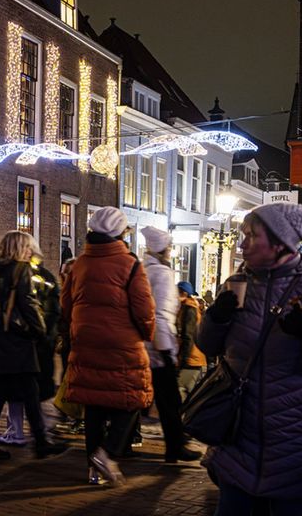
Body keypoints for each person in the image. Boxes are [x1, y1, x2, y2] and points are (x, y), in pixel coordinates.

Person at [198, 203, 302, 514]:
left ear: (280, 242)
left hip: (296, 436)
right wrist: (215, 319)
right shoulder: (237, 284)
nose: (242, 243)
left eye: (251, 235)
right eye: (242, 235)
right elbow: (206, 344)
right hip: (239, 433)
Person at [62, 206, 154, 486]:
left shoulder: (78, 264)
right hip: (122, 345)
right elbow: (144, 309)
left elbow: (65, 306)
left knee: (94, 407)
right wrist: (146, 333)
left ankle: (93, 470)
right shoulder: (131, 265)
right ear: (119, 233)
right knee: (132, 400)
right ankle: (109, 452)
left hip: (86, 343)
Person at [0, 231, 62, 460]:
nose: (30, 251)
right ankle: (40, 443)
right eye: (27, 247)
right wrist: (41, 331)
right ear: (19, 248)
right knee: (29, 391)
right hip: (17, 342)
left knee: (3, 394)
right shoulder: (20, 270)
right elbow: (28, 304)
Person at [139, 226, 199, 464]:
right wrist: (166, 350)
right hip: (158, 348)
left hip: (143, 346)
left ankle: (118, 444)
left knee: (143, 398)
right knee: (170, 401)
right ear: (163, 250)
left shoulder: (142, 271)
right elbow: (161, 314)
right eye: (170, 248)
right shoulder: (162, 274)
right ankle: (175, 447)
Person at [175, 281, 207, 400]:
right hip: (193, 358)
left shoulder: (190, 309)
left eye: (177, 292)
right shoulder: (187, 307)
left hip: (192, 359)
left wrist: (184, 359)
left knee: (181, 391)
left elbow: (188, 335)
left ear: (183, 293)